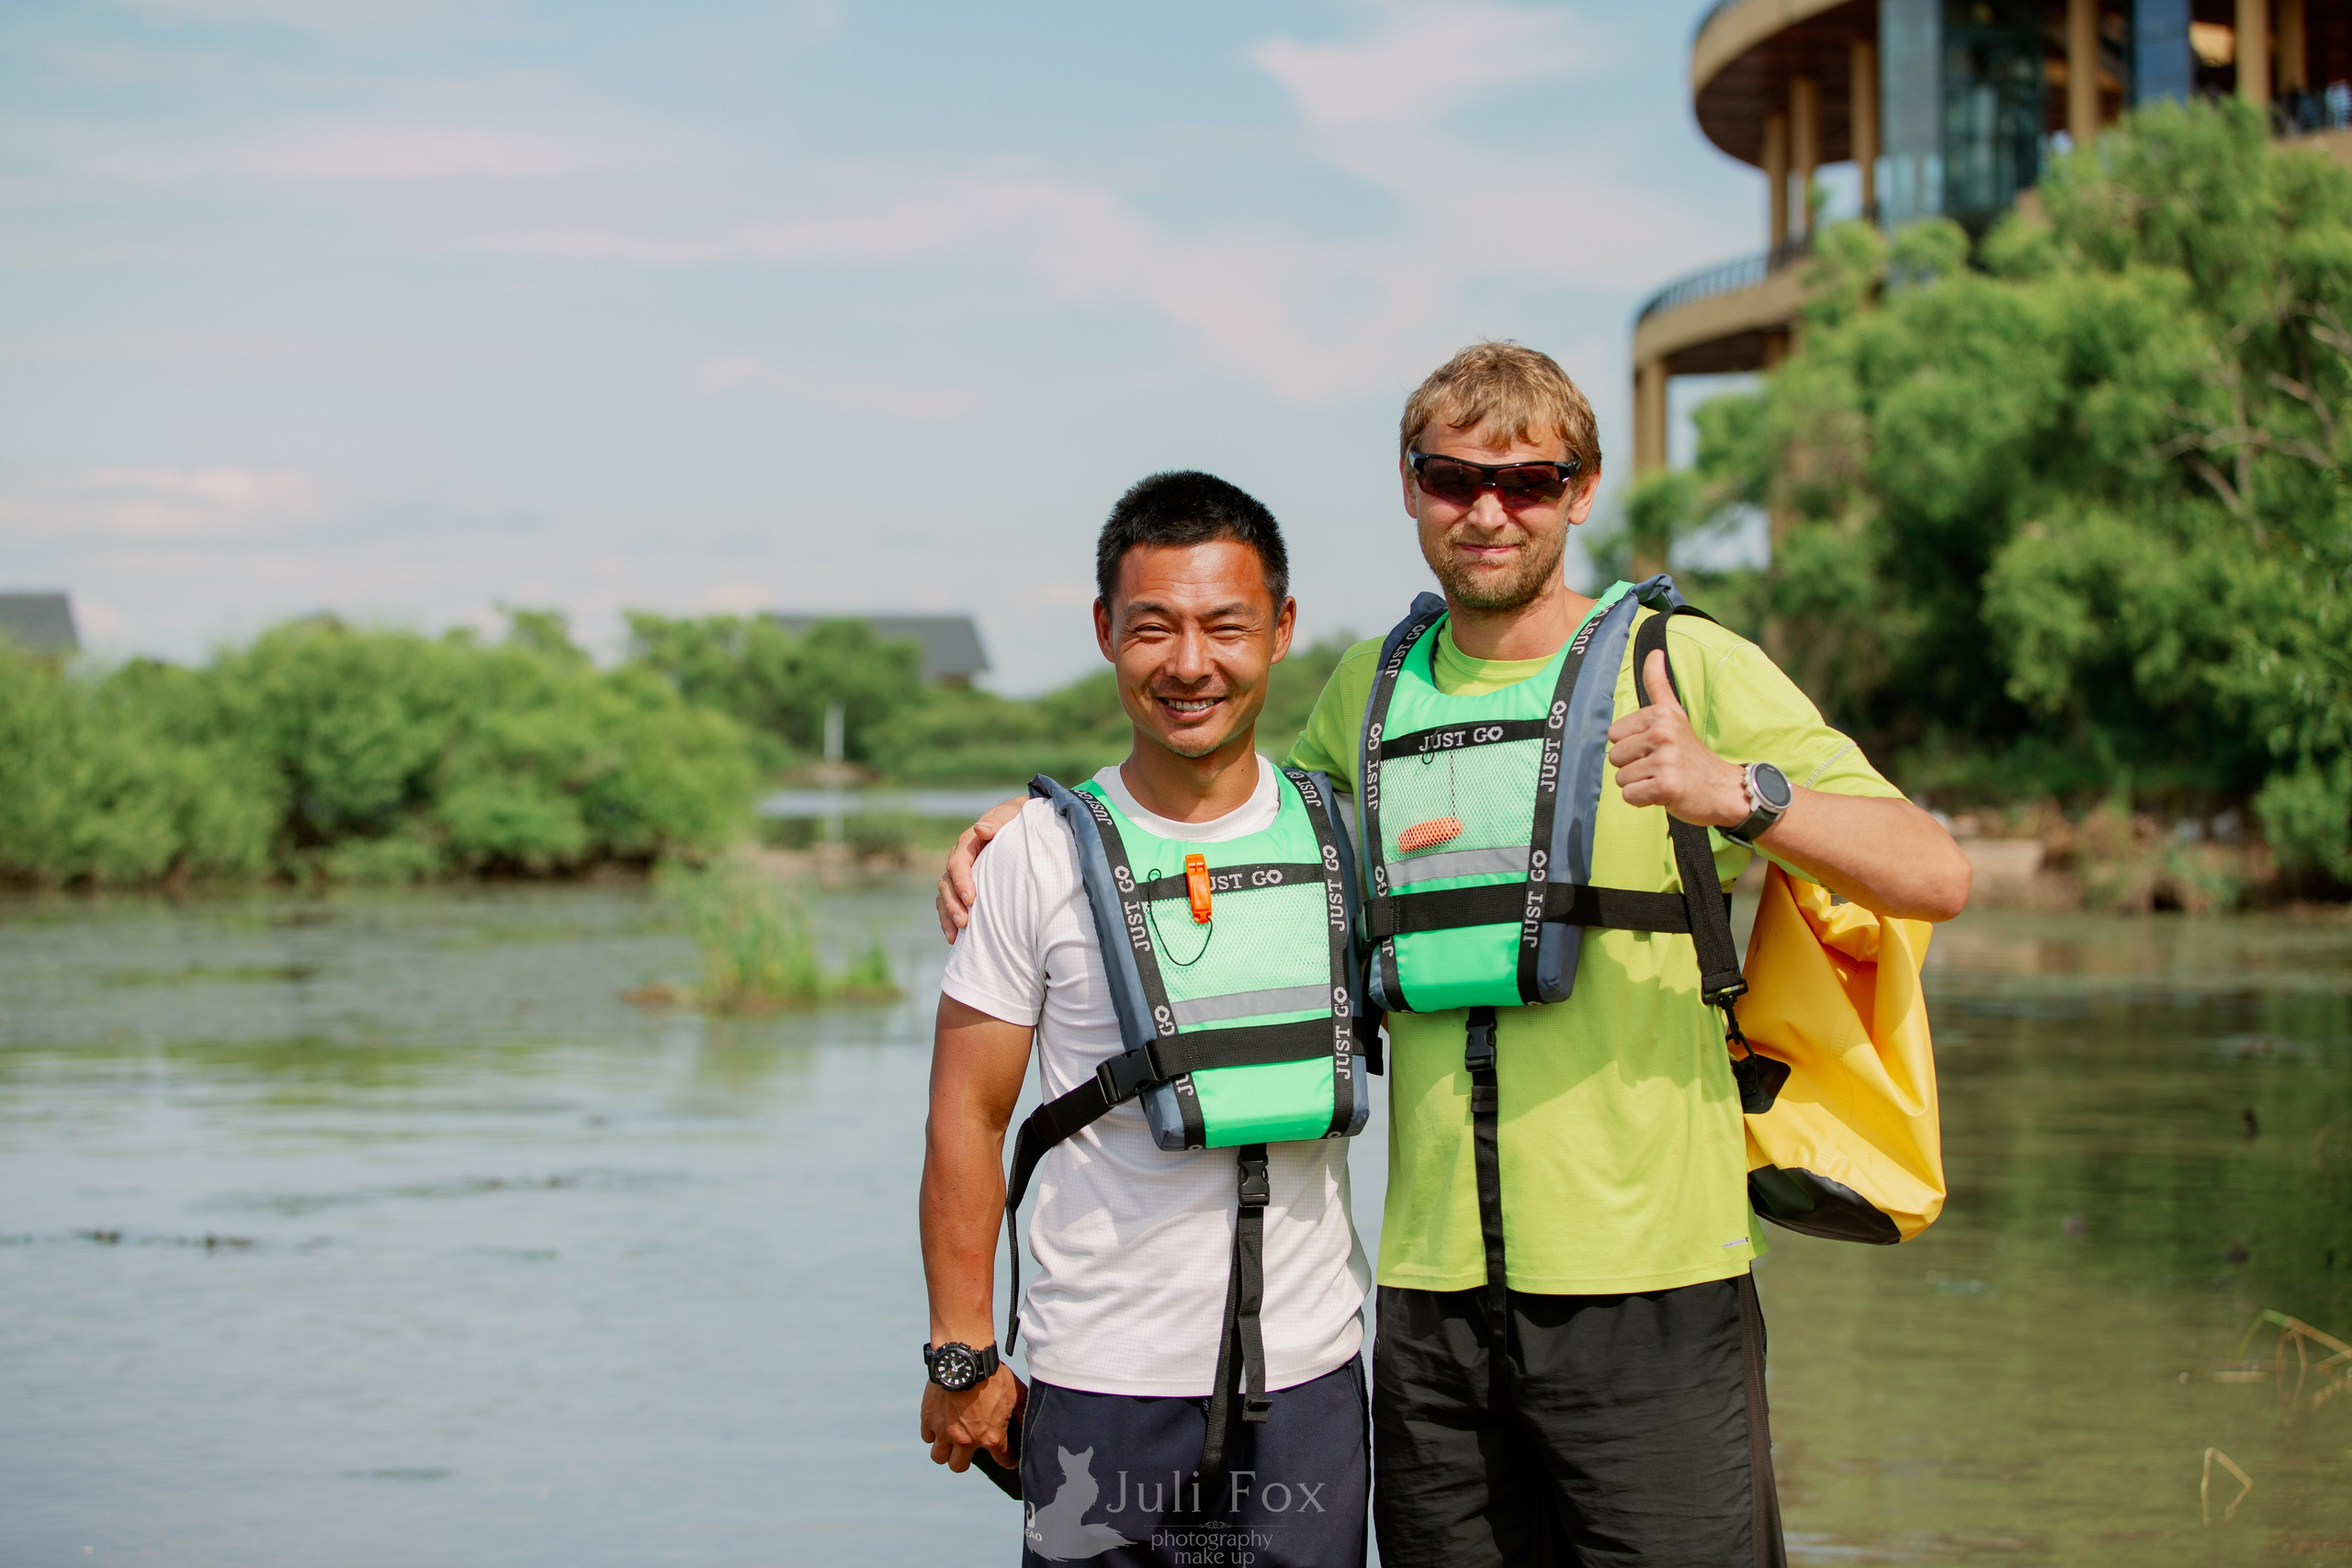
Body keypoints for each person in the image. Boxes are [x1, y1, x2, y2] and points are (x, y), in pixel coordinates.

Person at [936, 343, 1973, 1566]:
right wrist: (1049, 818)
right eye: (1454, 478)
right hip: (1430, 1319)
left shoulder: (1679, 664)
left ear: (1582, 491)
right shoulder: (1373, 695)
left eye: (1530, 481)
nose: (1489, 511)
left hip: (1656, 1282)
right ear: (1411, 486)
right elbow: (1220, 789)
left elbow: (1933, 869)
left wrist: (1737, 789)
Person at [919, 470, 1374, 1568]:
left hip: (1307, 1385)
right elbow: (965, 1119)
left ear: (1280, 630)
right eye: (1151, 628)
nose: (1189, 664)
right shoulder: (1033, 853)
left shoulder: (1348, 839)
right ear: (1103, 633)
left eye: (1225, 626)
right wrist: (961, 1354)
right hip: (1096, 1384)